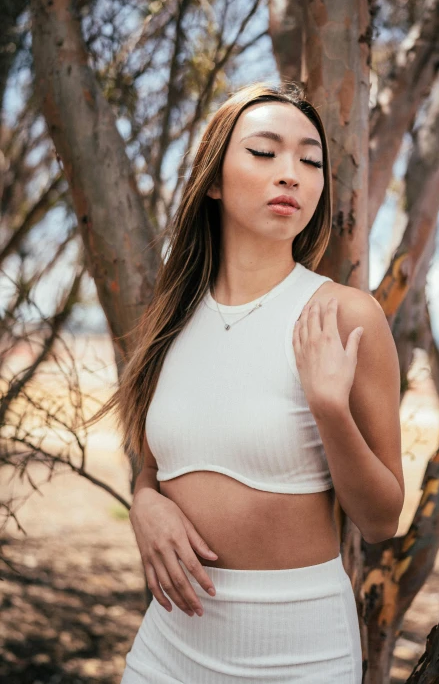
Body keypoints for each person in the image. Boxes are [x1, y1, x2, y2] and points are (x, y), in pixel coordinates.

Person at [105, 81, 404, 682]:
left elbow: (381, 520)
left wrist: (330, 409)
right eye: (264, 153)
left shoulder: (344, 315)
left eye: (310, 160)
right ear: (214, 179)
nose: (290, 173)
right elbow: (155, 459)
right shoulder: (171, 318)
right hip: (167, 647)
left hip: (299, 650)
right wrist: (144, 501)